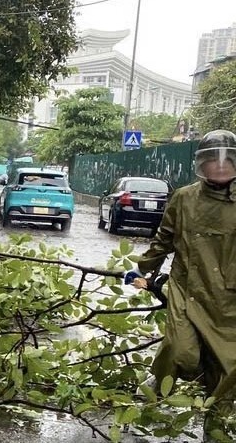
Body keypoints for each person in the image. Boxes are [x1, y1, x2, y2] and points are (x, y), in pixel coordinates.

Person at [128, 129, 236, 441]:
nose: (219, 166)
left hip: (230, 301)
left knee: (227, 373)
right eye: (211, 160)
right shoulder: (185, 198)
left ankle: (215, 432)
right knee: (181, 352)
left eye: (226, 159)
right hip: (188, 288)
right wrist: (144, 270)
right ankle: (159, 380)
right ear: (201, 164)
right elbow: (164, 238)